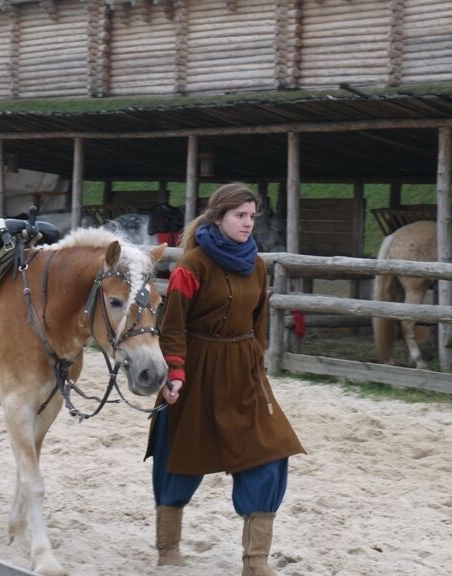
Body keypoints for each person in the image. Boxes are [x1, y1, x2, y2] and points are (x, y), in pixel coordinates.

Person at [145, 183, 305, 575]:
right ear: (219, 219)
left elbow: (258, 323)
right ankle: (168, 548)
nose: (248, 224)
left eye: (252, 217)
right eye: (240, 216)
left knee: (269, 453)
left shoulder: (257, 264)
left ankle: (255, 562)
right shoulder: (192, 265)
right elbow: (174, 325)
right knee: (180, 455)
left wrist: (258, 370)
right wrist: (176, 371)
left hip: (243, 371)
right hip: (197, 370)